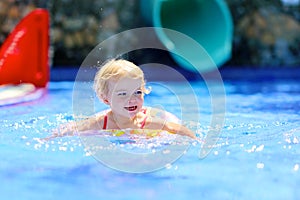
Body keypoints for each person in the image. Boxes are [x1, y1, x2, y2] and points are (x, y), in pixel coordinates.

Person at [47, 59, 197, 140]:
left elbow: (176, 128)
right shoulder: (100, 122)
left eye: (137, 92)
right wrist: (50, 137)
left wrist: (196, 140)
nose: (131, 99)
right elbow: (73, 128)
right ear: (106, 99)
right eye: (122, 94)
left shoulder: (149, 122)